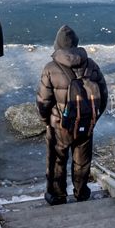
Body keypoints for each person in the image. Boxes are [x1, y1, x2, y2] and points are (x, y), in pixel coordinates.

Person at [37, 25, 108, 205]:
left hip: (60, 126)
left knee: (57, 162)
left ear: (57, 45)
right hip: (85, 124)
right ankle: (81, 193)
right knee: (82, 162)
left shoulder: (50, 68)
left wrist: (48, 122)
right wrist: (93, 119)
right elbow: (103, 96)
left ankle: (57, 196)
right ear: (76, 44)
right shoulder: (91, 65)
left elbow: (43, 101)